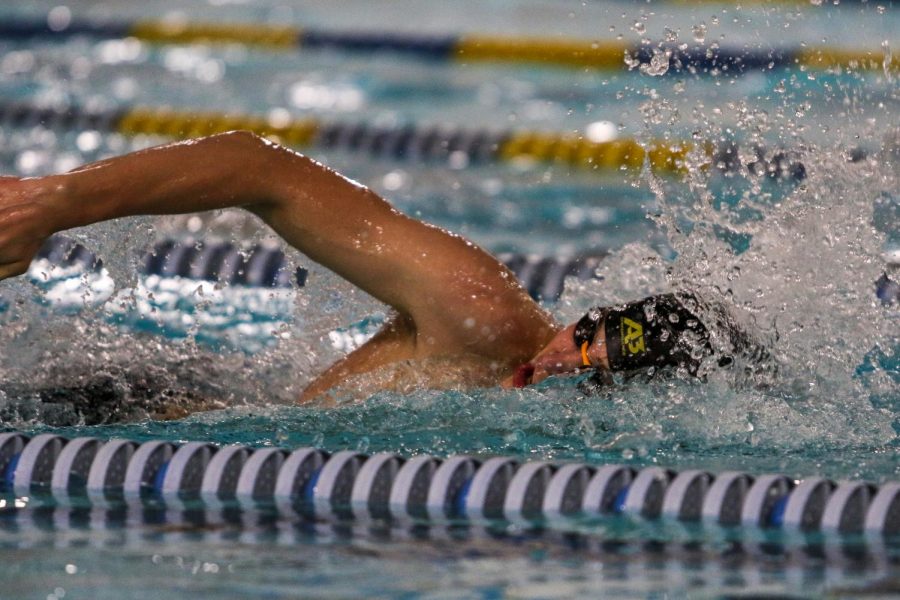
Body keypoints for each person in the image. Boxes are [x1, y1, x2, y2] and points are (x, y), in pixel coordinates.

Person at [0, 132, 730, 404]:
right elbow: (260, 168)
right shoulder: (480, 315)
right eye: (580, 337)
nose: (556, 366)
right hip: (131, 401)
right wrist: (50, 202)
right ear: (582, 316)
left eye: (592, 378)